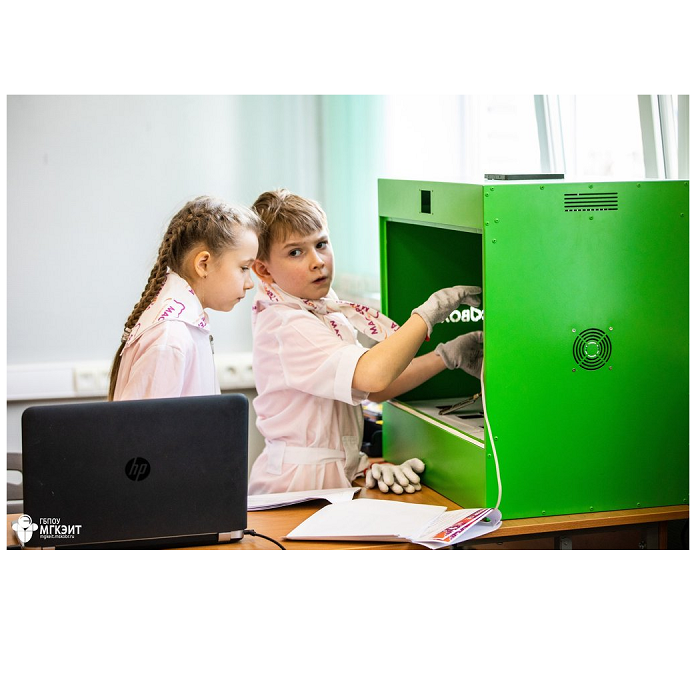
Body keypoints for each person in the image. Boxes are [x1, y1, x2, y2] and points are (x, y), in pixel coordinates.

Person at [248, 188, 483, 495]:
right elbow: (373, 375)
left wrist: (446, 355)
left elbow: (372, 388)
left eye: (321, 244)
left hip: (329, 474)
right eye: (295, 252)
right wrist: (429, 313)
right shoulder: (287, 323)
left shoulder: (322, 310)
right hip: (296, 484)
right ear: (263, 269)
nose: (317, 261)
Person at [108, 196, 262, 401]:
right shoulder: (170, 338)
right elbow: (147, 421)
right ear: (203, 264)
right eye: (244, 268)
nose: (250, 283)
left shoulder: (181, 328)